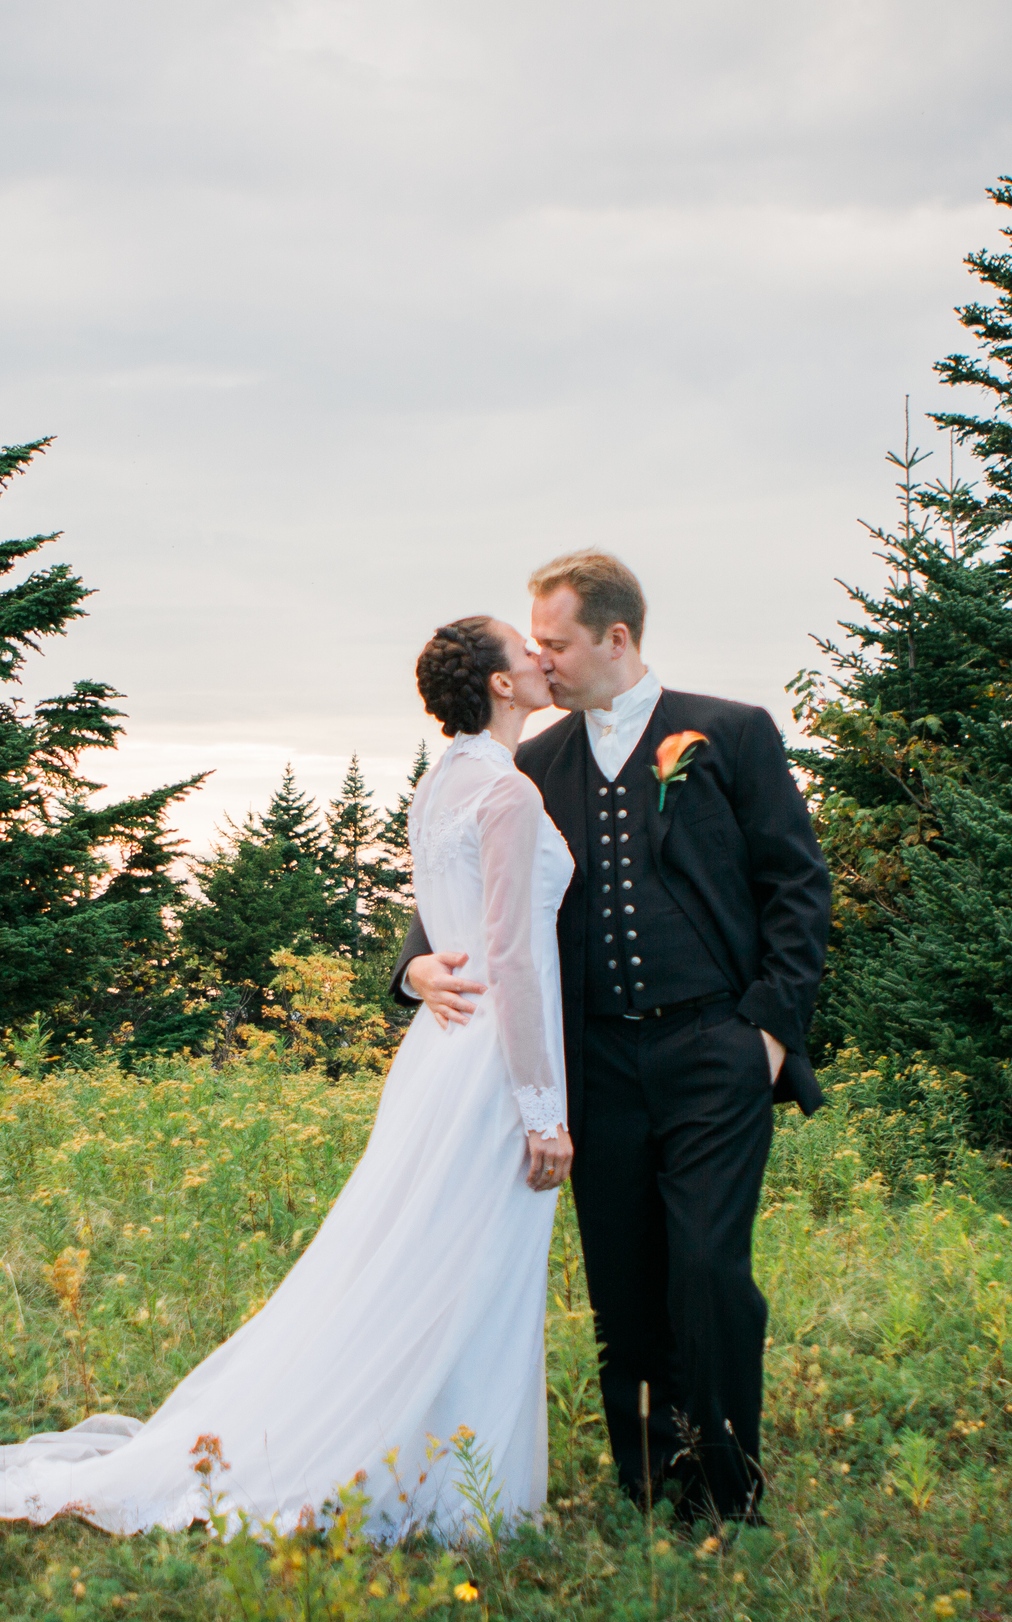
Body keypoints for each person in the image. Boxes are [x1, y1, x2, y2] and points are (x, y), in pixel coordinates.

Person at [0, 616, 576, 1542]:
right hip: (494, 1060)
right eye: (524, 649)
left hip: (441, 1052)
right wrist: (544, 1108)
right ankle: (453, 1487)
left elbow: (452, 922)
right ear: (500, 685)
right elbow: (506, 952)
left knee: (428, 1255)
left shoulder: (440, 786)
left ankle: (434, 1461)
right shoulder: (505, 796)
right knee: (469, 1262)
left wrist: (423, 974)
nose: (541, 660)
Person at [393, 549, 831, 1524]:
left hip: (715, 1049)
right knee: (623, 1283)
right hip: (596, 1066)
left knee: (710, 1272)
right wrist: (412, 962)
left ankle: (724, 1486)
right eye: (533, 644)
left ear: (615, 637)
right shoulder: (533, 763)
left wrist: (768, 1026)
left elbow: (797, 883)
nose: (542, 661)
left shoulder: (728, 733)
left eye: (554, 641)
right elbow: (475, 882)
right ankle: (649, 1483)